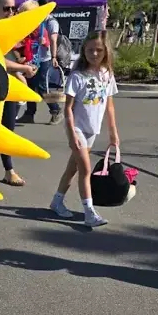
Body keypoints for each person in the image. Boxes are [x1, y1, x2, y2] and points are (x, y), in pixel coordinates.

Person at [50, 31, 120, 228]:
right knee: (86, 170)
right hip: (77, 128)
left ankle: (57, 201)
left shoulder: (107, 74)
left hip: (92, 129)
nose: (94, 54)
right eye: (90, 50)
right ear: (83, 51)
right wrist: (72, 135)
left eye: (99, 50)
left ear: (106, 51)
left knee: (73, 168)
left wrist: (113, 133)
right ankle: (89, 212)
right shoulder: (77, 76)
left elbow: (109, 105)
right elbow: (68, 109)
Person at [0, 0, 36, 186]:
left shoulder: (14, 30)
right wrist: (22, 69)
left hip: (10, 85)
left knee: (6, 127)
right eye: (6, 8)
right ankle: (9, 170)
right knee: (1, 128)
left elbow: (15, 58)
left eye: (13, 8)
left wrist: (23, 69)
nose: (11, 12)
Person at [18, 0, 61, 125]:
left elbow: (52, 40)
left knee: (42, 86)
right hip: (32, 59)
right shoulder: (33, 22)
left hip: (44, 59)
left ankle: (56, 110)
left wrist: (53, 56)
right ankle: (29, 114)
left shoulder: (50, 22)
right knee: (31, 86)